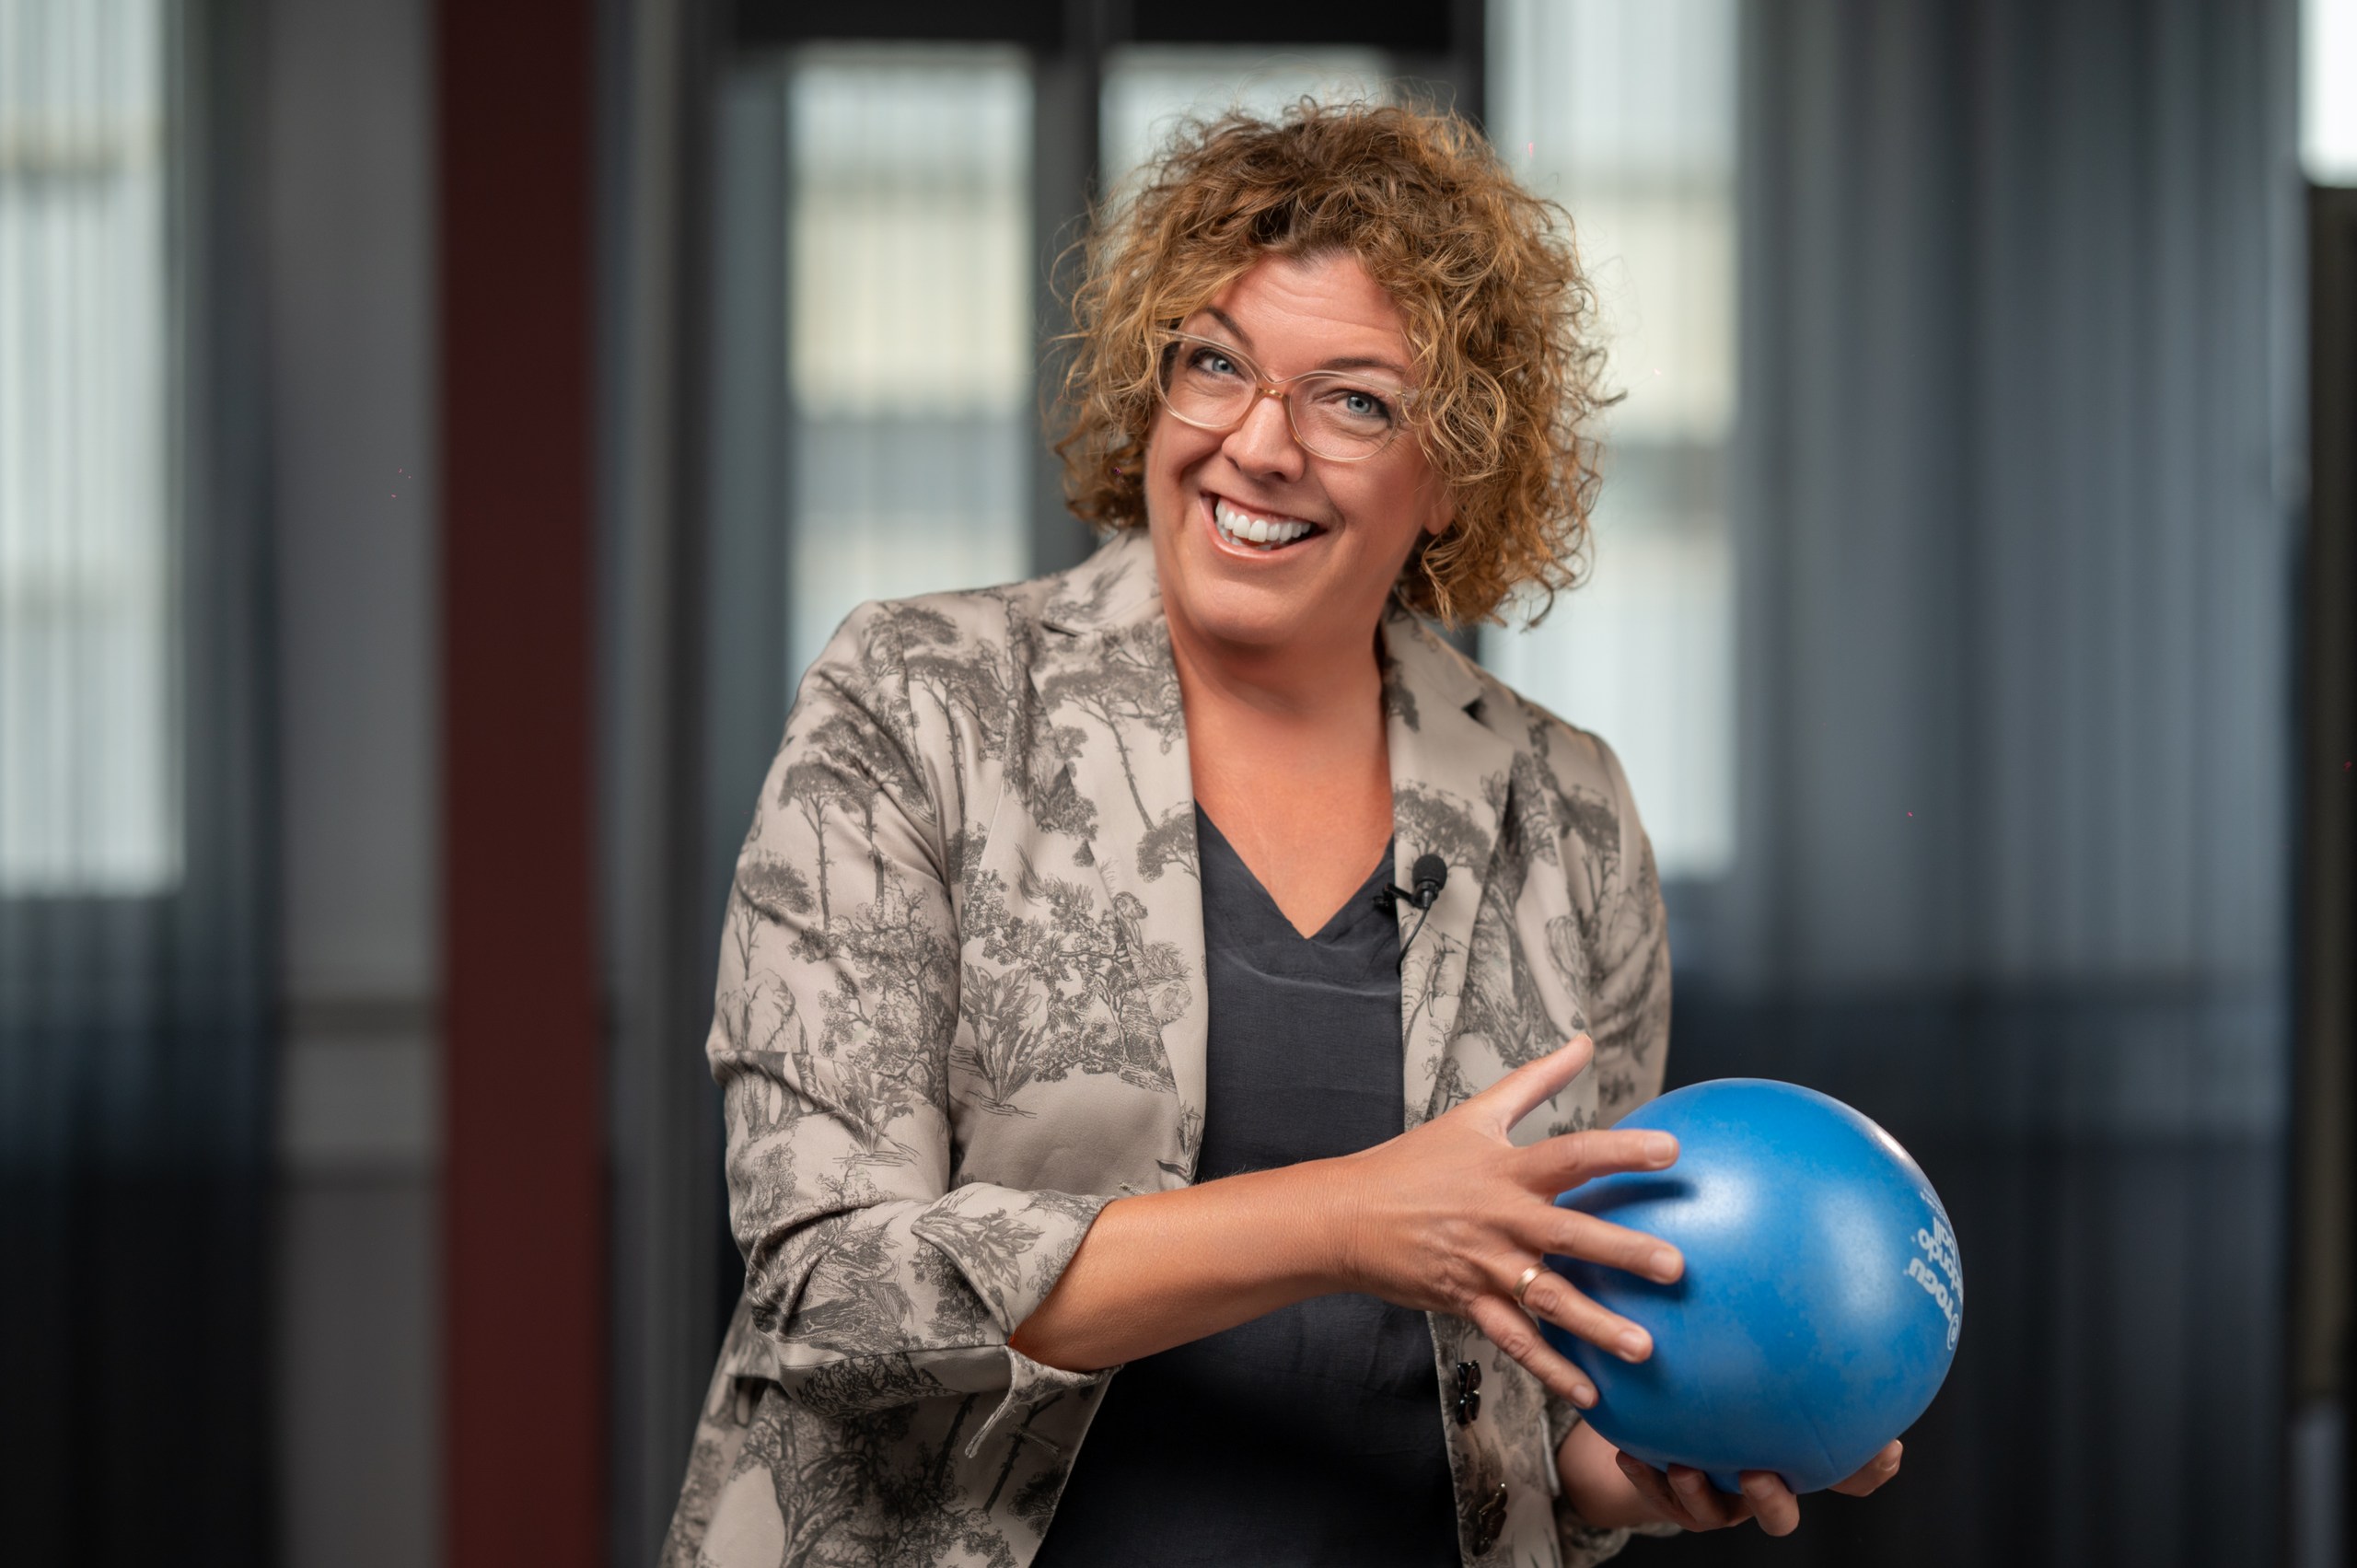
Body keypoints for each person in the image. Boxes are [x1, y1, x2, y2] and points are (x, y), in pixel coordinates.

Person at [662, 99, 1901, 1568]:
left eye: (1354, 401)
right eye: (1215, 366)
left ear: (1452, 476)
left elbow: (1527, 1361)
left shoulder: (1567, 811)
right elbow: (830, 1295)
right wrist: (1347, 1220)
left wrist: (1606, 1478)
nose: (1258, 445)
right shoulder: (920, 706)